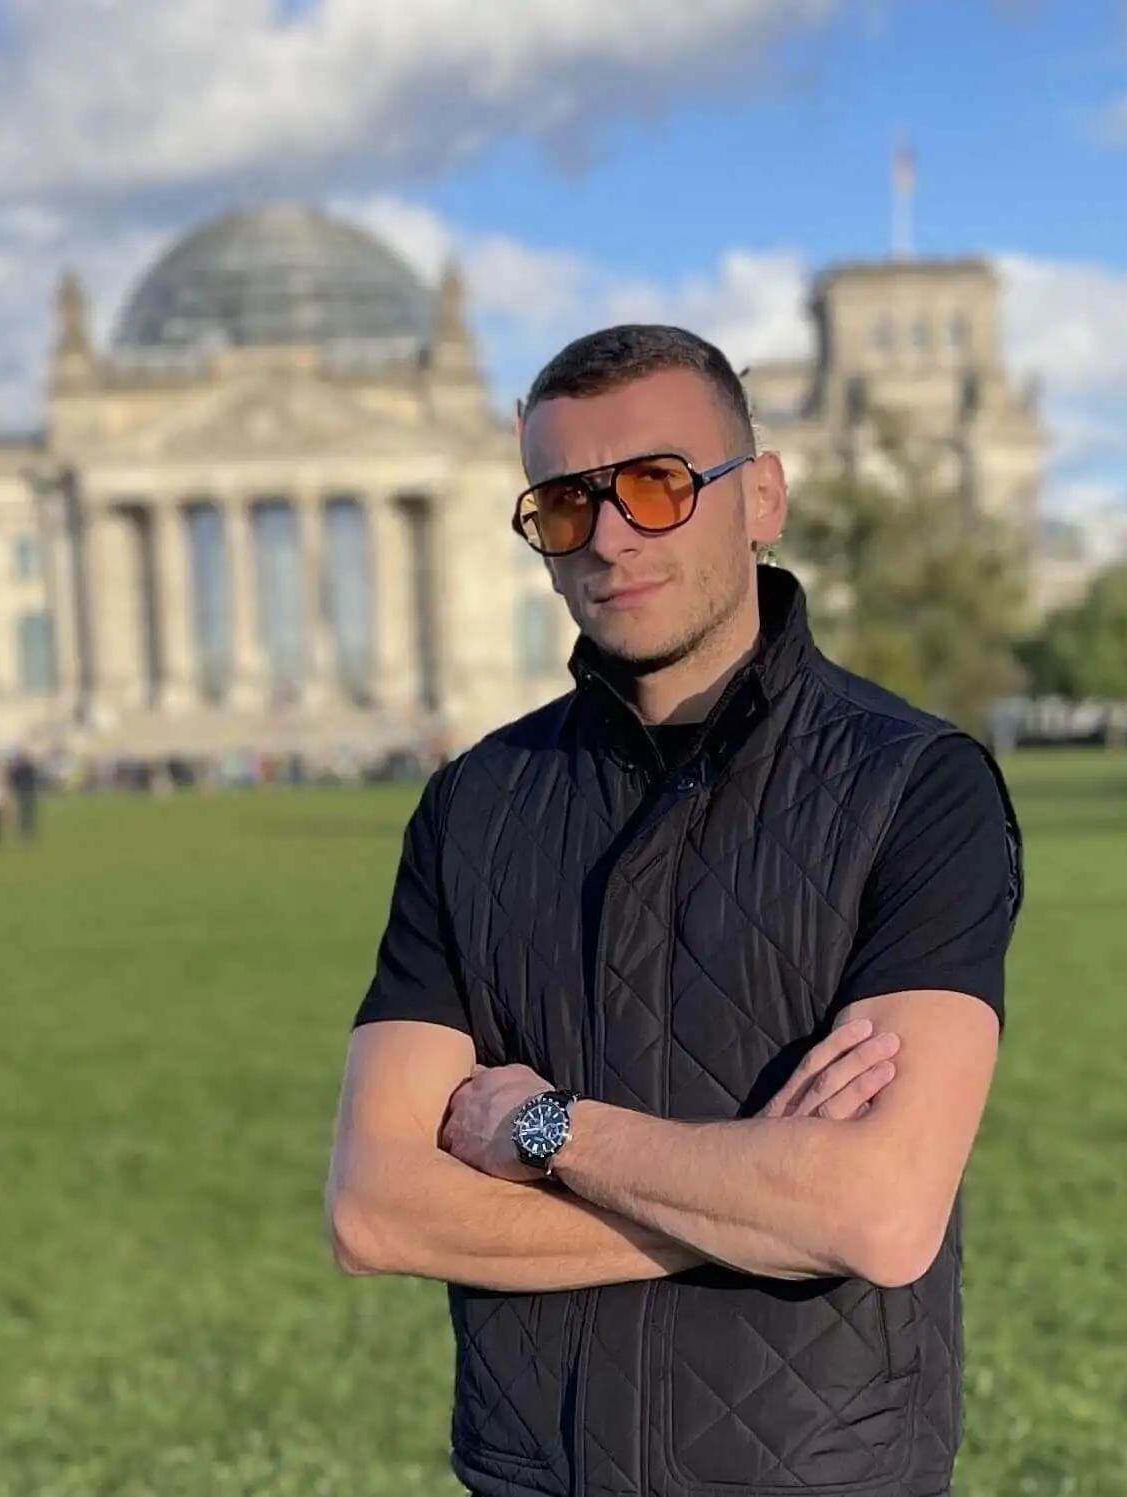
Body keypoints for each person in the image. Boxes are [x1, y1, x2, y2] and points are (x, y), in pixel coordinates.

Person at [325, 325, 1022, 1497]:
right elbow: (377, 1210)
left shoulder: (915, 784)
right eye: (561, 506)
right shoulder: (473, 805)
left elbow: (884, 1211)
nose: (608, 539)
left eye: (657, 485)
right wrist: (766, 1207)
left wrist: (545, 1135)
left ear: (759, 498)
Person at [7, 747, 40, 839]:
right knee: (24, 812)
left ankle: (26, 830)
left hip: (26, 791)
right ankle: (24, 830)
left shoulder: (21, 768)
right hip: (24, 792)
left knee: (27, 812)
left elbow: (13, 779)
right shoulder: (27, 767)